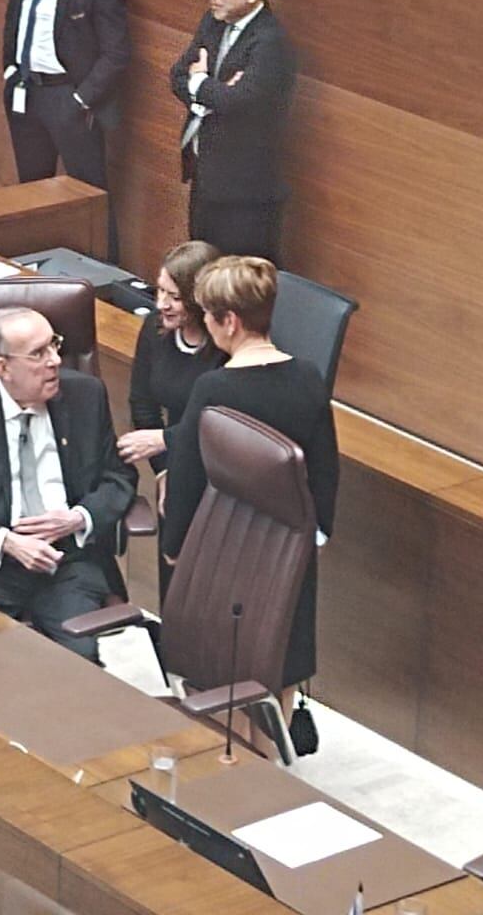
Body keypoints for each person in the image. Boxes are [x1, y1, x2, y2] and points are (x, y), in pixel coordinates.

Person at [0, 307, 137, 660]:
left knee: (82, 660)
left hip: (68, 561)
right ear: (2, 368)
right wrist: (7, 542)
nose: (55, 361)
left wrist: (79, 517)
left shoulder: (86, 395)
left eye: (55, 346)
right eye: (38, 353)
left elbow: (119, 478)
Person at [163, 256, 337, 690]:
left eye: (207, 314)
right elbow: (325, 471)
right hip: (290, 558)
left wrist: (173, 548)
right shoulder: (308, 378)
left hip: (224, 555)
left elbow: (186, 482)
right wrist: (314, 539)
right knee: (278, 670)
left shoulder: (214, 391)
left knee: (226, 682)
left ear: (230, 321)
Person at [2, 0, 130, 261]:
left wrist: (80, 99)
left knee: (88, 194)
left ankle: (107, 275)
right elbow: (13, 21)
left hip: (67, 95)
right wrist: (10, 71)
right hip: (26, 89)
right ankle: (35, 265)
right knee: (31, 190)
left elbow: (117, 53)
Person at [168, 0, 297, 266]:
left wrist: (201, 85)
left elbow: (242, 101)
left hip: (245, 193)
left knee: (236, 284)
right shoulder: (213, 22)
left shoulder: (270, 42)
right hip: (206, 176)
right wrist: (212, 94)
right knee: (200, 271)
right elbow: (178, 75)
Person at [119, 240, 226, 476]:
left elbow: (227, 428)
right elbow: (143, 406)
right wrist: (164, 472)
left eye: (175, 297)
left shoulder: (227, 344)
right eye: (160, 290)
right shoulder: (154, 327)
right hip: (177, 457)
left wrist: (166, 439)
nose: (161, 304)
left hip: (223, 466)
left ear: (200, 299)